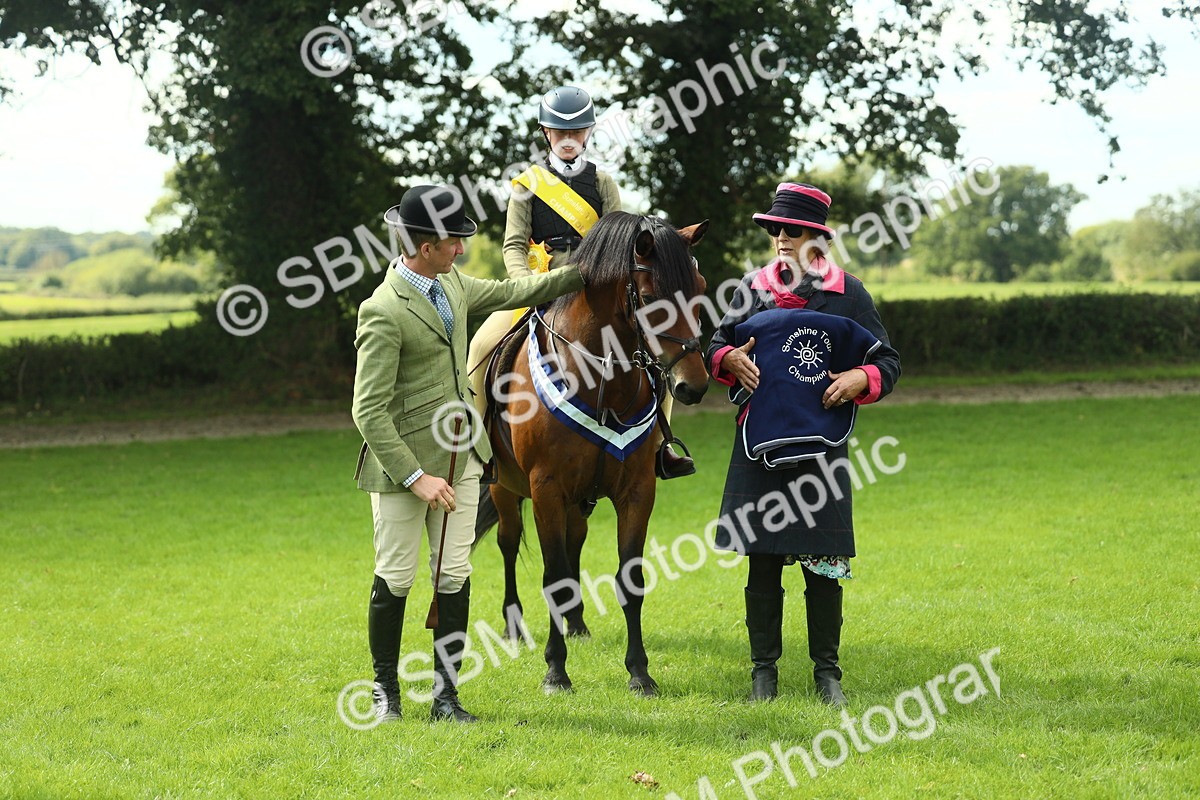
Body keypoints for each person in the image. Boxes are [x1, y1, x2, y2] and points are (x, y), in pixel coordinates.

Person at [353, 184, 586, 724]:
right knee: (396, 577)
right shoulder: (382, 310)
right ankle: (385, 691)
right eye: (453, 241)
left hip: (462, 459)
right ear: (423, 244)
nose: (462, 249)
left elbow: (513, 293)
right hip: (401, 470)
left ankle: (445, 696)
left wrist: (588, 270)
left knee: (453, 575)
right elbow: (368, 411)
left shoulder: (452, 282)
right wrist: (415, 478)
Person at [706, 182, 901, 706]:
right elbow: (715, 344)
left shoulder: (849, 293)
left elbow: (888, 360)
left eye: (792, 230)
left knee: (824, 565)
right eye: (775, 230)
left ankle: (827, 675)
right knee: (763, 560)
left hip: (822, 446)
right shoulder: (750, 288)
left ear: (817, 238)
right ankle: (762, 675)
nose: (781, 239)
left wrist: (863, 378)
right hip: (760, 444)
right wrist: (726, 360)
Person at [466, 85, 694, 478]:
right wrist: (525, 284)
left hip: (595, 290)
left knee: (656, 347)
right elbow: (513, 246)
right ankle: (479, 450)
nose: (568, 140)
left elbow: (621, 241)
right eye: (560, 132)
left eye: (577, 132)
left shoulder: (602, 182)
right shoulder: (527, 185)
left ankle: (660, 445)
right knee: (482, 346)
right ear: (546, 133)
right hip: (541, 284)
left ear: (588, 133)